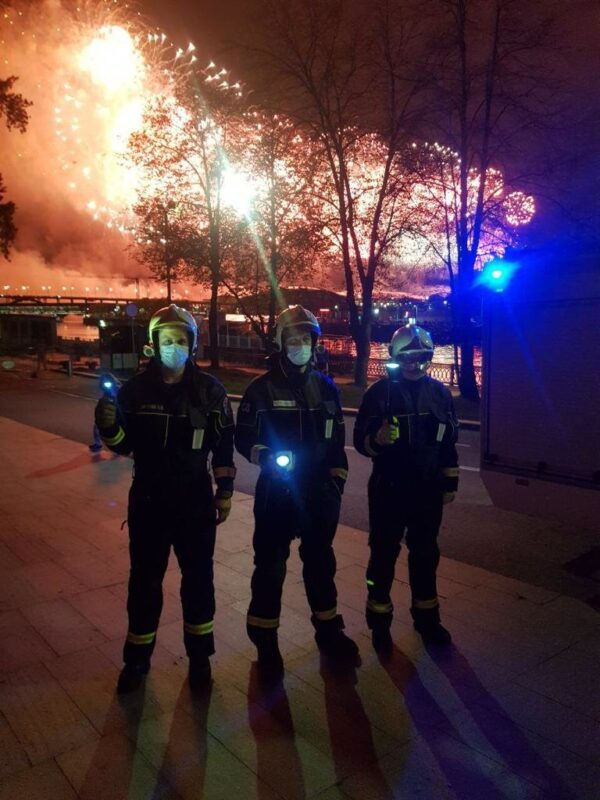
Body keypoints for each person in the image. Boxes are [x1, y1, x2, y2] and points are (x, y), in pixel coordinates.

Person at [94, 304, 236, 693]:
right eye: (167, 340)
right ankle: (136, 661)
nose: (174, 347)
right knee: (144, 582)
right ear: (154, 345)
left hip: (195, 500)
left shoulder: (211, 391)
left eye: (181, 340)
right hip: (149, 500)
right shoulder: (134, 391)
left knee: (199, 580)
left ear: (192, 344)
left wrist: (224, 492)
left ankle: (200, 659)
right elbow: (123, 446)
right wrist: (108, 427)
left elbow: (223, 446)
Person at [235, 306, 358, 676]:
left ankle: (329, 631)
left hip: (318, 492)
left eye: (306, 339)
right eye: (293, 339)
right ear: (280, 342)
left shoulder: (327, 388)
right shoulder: (260, 390)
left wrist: (336, 481)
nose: (300, 345)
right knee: (270, 567)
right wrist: (265, 455)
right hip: (276, 492)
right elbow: (243, 437)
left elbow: (337, 440)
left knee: (321, 564)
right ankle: (265, 641)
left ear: (315, 343)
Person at [353, 323, 459, 651]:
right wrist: (377, 439)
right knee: (383, 554)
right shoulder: (378, 394)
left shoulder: (440, 393)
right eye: (407, 357)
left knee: (425, 554)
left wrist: (450, 480)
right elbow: (360, 442)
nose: (414, 363)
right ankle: (379, 620)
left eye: (421, 357)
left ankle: (427, 619)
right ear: (396, 356)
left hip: (427, 489)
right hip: (389, 488)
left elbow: (448, 443)